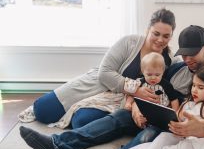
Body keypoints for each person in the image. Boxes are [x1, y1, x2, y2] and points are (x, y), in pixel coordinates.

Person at [20, 25, 204, 149]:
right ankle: (58, 146)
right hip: (154, 114)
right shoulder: (178, 68)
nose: (188, 60)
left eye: (193, 54)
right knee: (118, 117)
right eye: (184, 54)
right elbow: (147, 84)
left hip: (176, 129)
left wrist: (200, 126)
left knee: (146, 139)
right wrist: (134, 105)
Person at [19, 8, 179, 129]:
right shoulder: (129, 42)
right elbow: (105, 73)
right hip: (96, 85)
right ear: (147, 30)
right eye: (156, 33)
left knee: (80, 122)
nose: (160, 40)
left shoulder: (168, 61)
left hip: (116, 102)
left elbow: (164, 91)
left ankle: (77, 114)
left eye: (166, 36)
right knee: (42, 110)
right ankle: (69, 106)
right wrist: (135, 90)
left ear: (171, 36)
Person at [48, 52, 179, 129]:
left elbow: (173, 98)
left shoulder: (166, 85)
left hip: (160, 113)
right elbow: (131, 94)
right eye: (149, 74)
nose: (153, 78)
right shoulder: (140, 82)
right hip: (142, 112)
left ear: (163, 72)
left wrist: (175, 112)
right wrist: (129, 103)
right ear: (143, 72)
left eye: (157, 75)